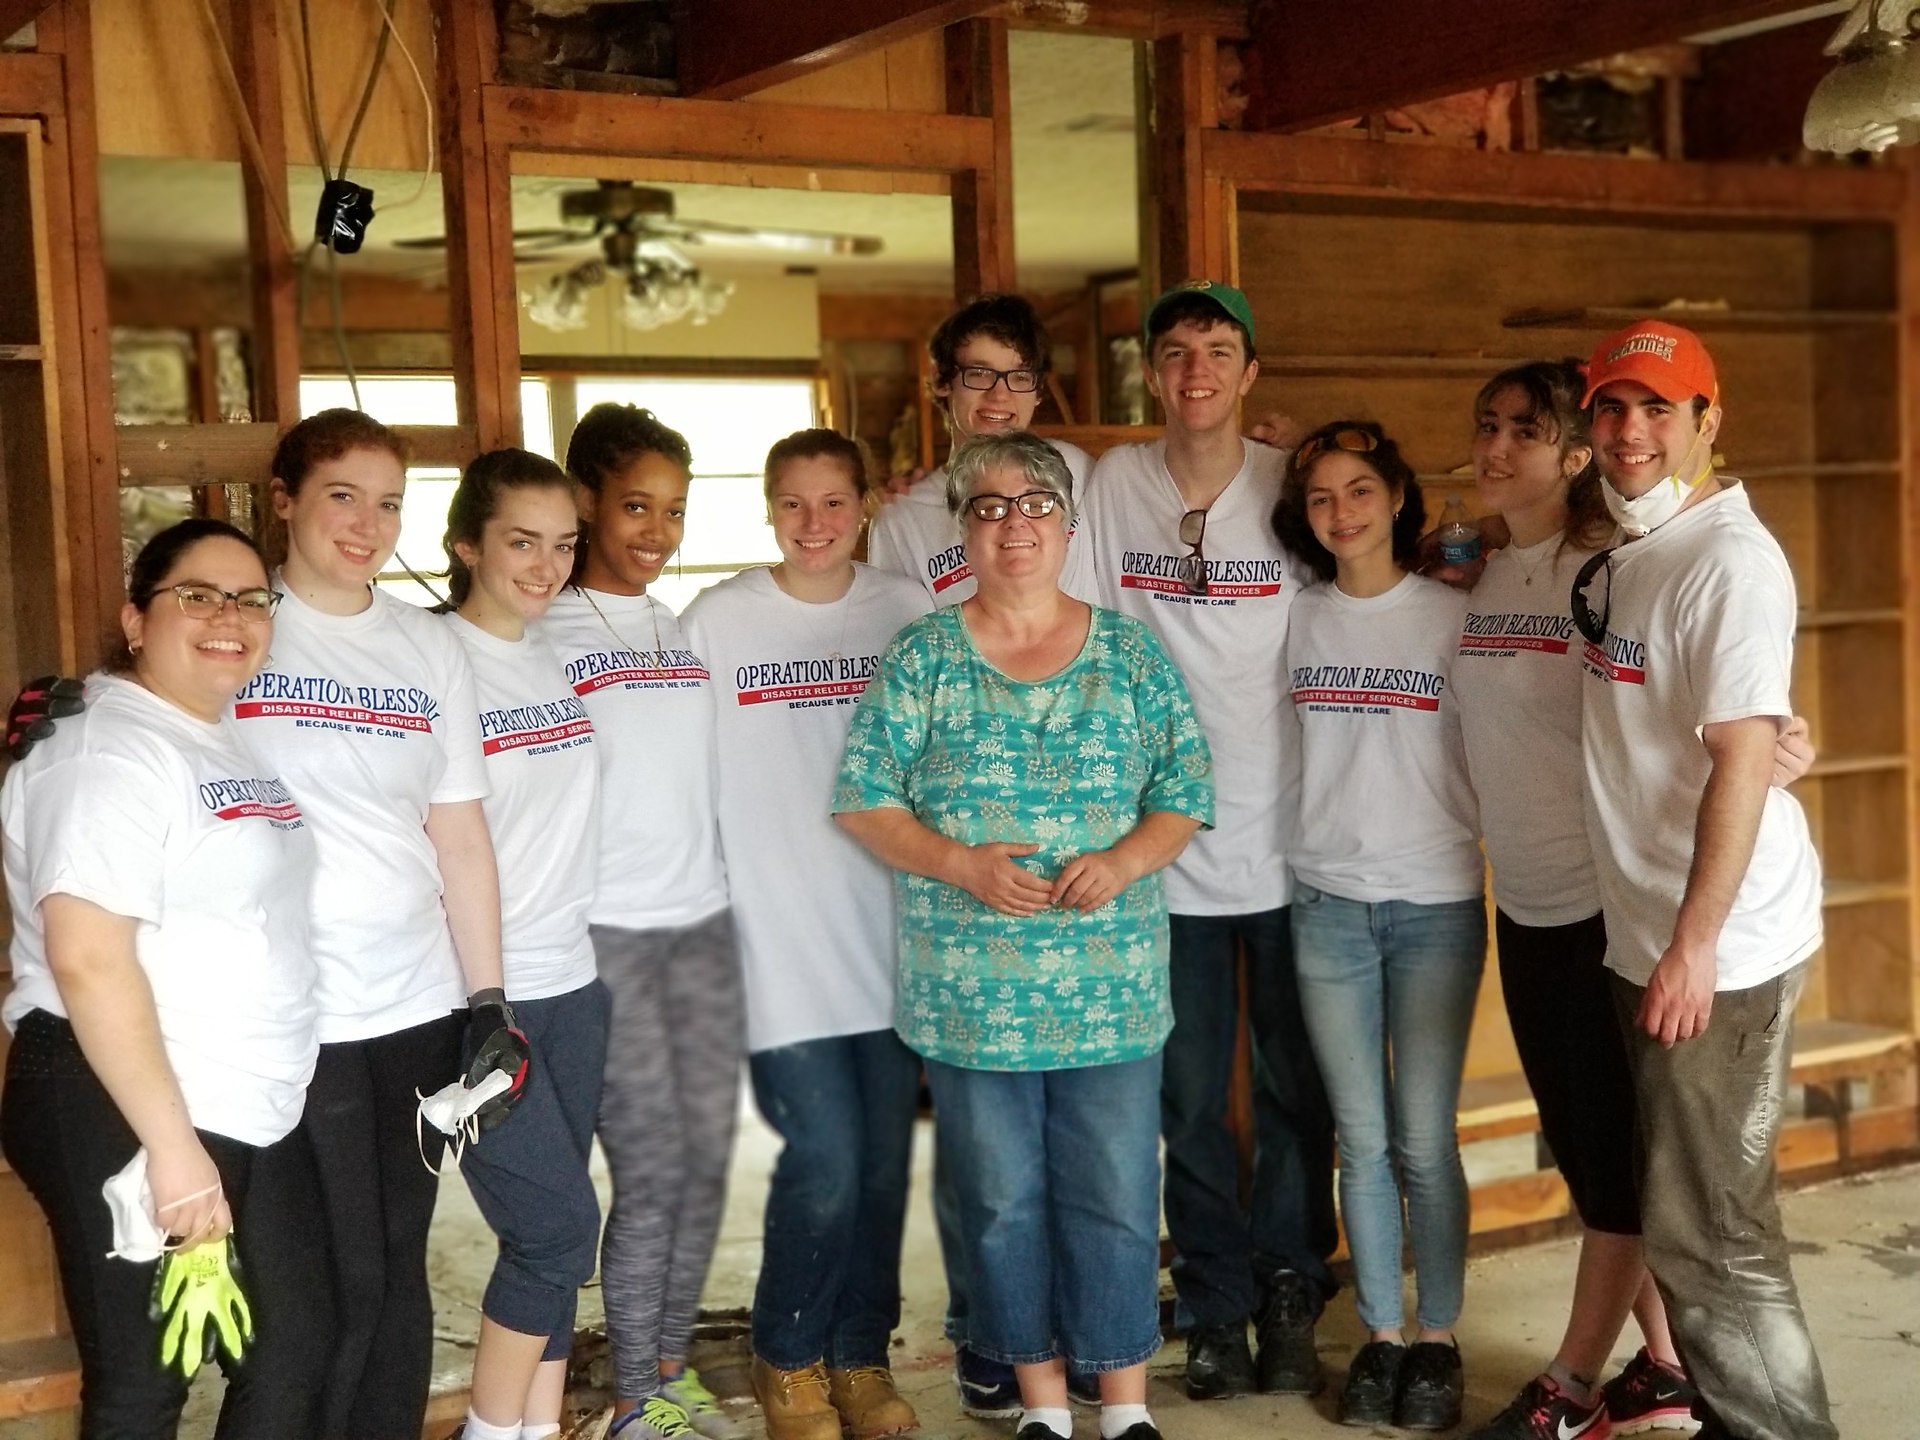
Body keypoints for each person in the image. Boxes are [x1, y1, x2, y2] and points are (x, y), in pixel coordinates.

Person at [835, 430, 1212, 1440]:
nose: (1015, 524)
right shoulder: (925, 654)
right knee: (1001, 1206)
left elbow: (1184, 792)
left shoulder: (1129, 652)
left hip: (1111, 992)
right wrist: (961, 862)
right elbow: (864, 802)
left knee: (1119, 1197)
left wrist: (1126, 861)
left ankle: (1124, 1406)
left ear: (1069, 526)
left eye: (1035, 504)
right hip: (975, 1000)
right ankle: (1043, 1407)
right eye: (990, 507)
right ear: (962, 530)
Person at [1, 518, 333, 1438]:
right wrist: (175, 1153)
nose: (230, 616)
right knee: (146, 1384)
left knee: (294, 1346)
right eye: (197, 594)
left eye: (251, 598)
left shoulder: (209, 734)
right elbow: (87, 954)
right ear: (135, 619)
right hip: (122, 1099)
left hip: (236, 1095)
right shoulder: (108, 748)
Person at [1080, 280, 1338, 1401]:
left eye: (1218, 350)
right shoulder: (1109, 486)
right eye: (1175, 351)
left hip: (1293, 844)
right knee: (1187, 1101)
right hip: (1157, 853)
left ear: (1251, 373)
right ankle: (1220, 1309)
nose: (1196, 370)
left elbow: (1387, 577)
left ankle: (1293, 1292)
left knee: (1297, 1093)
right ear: (1149, 371)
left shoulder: (1296, 487)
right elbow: (1079, 629)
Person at [1575, 321, 1833, 1440]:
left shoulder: (1728, 559)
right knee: (1687, 1226)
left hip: (1717, 950)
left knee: (1717, 1239)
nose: (1632, 431)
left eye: (1659, 410)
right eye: (1613, 408)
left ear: (1707, 423)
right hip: (1653, 935)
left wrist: (1693, 945)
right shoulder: (1640, 546)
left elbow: (1738, 757)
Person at [244, 410, 513, 1440]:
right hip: (283, 1011)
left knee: (399, 1267)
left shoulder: (426, 646)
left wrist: (488, 999)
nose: (368, 523)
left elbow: (459, 839)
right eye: (342, 495)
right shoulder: (239, 624)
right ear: (286, 500)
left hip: (410, 1001)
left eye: (389, 501)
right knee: (328, 1283)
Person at [1451, 361, 1702, 1440]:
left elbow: (1694, 684)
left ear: (1574, 452)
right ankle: (1668, 1363)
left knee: (1615, 1165)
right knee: (1590, 1148)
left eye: (1528, 431)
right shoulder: (1487, 572)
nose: (1499, 447)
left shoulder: (1615, 566)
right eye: (1488, 427)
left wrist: (1780, 740)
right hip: (1529, 902)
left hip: (1611, 908)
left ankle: (1568, 1384)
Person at [682, 429, 931, 1440]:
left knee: (881, 1166)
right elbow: (685, 783)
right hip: (776, 943)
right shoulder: (717, 622)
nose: (815, 524)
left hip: (893, 937)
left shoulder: (908, 613)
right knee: (824, 1156)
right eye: (795, 504)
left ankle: (861, 1357)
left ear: (867, 504)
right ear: (768, 508)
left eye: (834, 503)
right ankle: (787, 1353)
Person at [1273, 421, 1485, 1432]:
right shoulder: (1294, 617)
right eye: (1319, 497)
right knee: (1359, 1140)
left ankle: (1437, 1338)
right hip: (1325, 904)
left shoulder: (1453, 616)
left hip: (1438, 903)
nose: (1341, 512)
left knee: (1422, 1139)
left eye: (1359, 491)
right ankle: (1380, 1337)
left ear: (1398, 497)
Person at [540, 403, 740, 1440]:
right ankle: (632, 1399)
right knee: (652, 1163)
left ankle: (668, 1367)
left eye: (673, 509)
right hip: (605, 933)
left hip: (703, 922)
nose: (657, 530)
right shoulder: (538, 631)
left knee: (702, 1162)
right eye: (634, 506)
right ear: (585, 502)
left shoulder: (681, 622)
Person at [437, 450, 609, 1440]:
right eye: (519, 542)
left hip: (572, 984)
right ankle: (495, 1432)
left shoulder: (551, 652)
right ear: (466, 544)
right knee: (553, 1229)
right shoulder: (433, 659)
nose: (545, 565)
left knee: (551, 1243)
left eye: (562, 544)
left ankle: (540, 1428)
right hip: (481, 997)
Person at [868, 293, 1096, 610]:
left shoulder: (1079, 471)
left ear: (1039, 390)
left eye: (1019, 377)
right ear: (941, 380)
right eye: (979, 373)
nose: (999, 395)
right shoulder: (901, 518)